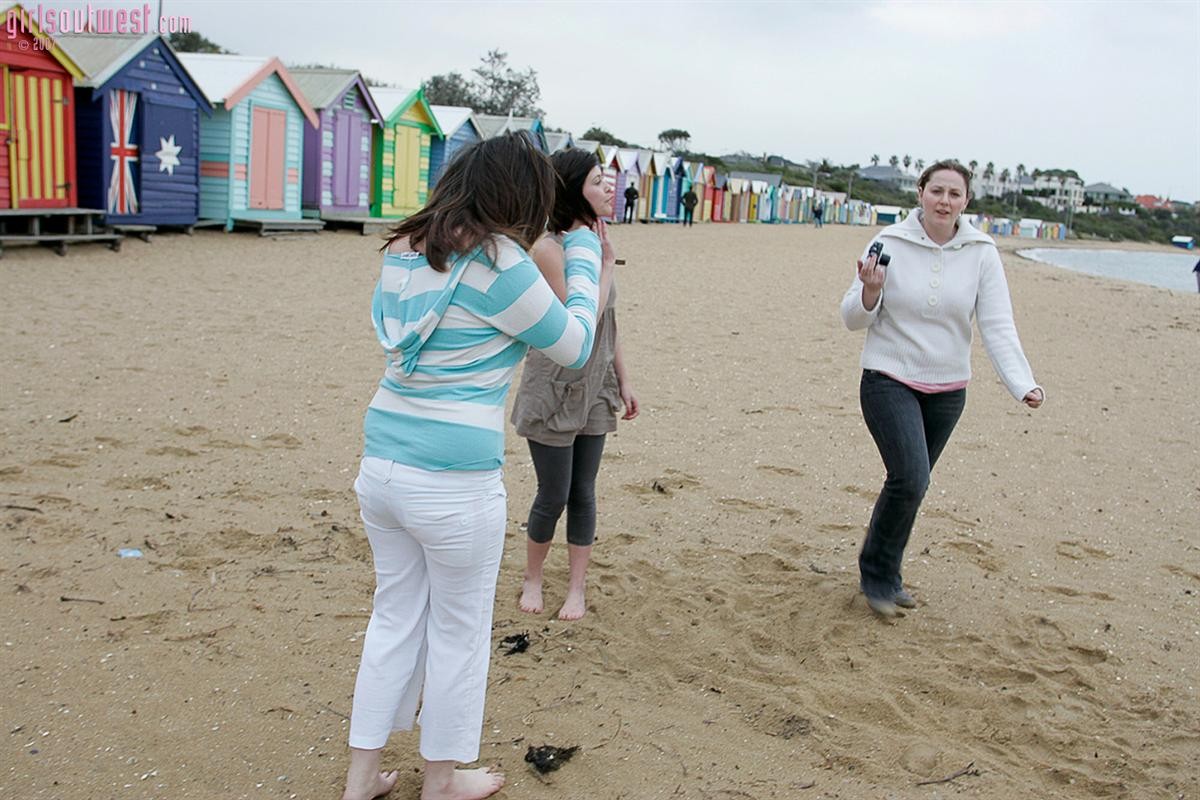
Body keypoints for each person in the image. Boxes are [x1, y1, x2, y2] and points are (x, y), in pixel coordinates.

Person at [341, 133, 611, 800]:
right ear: (521, 196)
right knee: (458, 631)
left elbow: (390, 324)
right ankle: (440, 781)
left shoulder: (405, 247)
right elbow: (574, 344)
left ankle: (361, 778)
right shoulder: (500, 262)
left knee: (393, 618)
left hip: (383, 462)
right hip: (453, 478)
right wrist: (582, 253)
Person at [840, 159, 1044, 619]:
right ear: (920, 193)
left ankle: (886, 574)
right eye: (937, 191)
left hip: (948, 390)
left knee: (911, 484)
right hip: (887, 378)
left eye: (954, 194)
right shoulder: (887, 242)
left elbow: (996, 323)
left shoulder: (981, 251)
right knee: (911, 476)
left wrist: (1022, 383)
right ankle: (876, 576)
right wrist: (870, 294)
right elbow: (852, 316)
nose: (944, 201)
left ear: (966, 202)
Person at [512, 150, 639, 621]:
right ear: (571, 191)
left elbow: (608, 322)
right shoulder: (549, 248)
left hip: (596, 384)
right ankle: (533, 578)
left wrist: (624, 380)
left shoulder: (597, 241)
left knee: (584, 491)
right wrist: (605, 266)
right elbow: (578, 319)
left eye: (608, 180)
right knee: (554, 492)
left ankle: (577, 588)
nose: (610, 189)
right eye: (596, 182)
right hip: (555, 384)